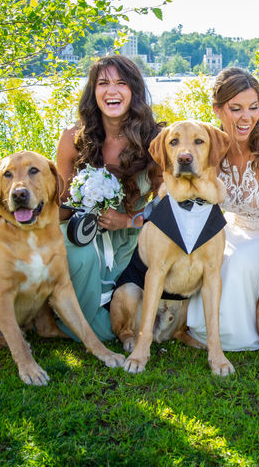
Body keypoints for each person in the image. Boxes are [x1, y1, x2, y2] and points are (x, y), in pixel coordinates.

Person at [185, 67, 259, 351]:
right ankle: (200, 328)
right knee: (207, 258)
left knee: (236, 264)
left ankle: (239, 335)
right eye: (236, 108)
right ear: (217, 110)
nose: (246, 117)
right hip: (231, 229)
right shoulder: (211, 147)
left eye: (253, 107)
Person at [54, 55, 162, 341]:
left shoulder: (156, 140)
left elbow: (167, 204)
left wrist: (127, 220)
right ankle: (71, 319)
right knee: (79, 252)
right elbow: (60, 202)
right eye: (103, 83)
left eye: (121, 83)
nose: (111, 91)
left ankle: (70, 322)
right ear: (93, 92)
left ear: (134, 91)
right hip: (81, 235)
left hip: (131, 240)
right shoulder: (73, 139)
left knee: (110, 327)